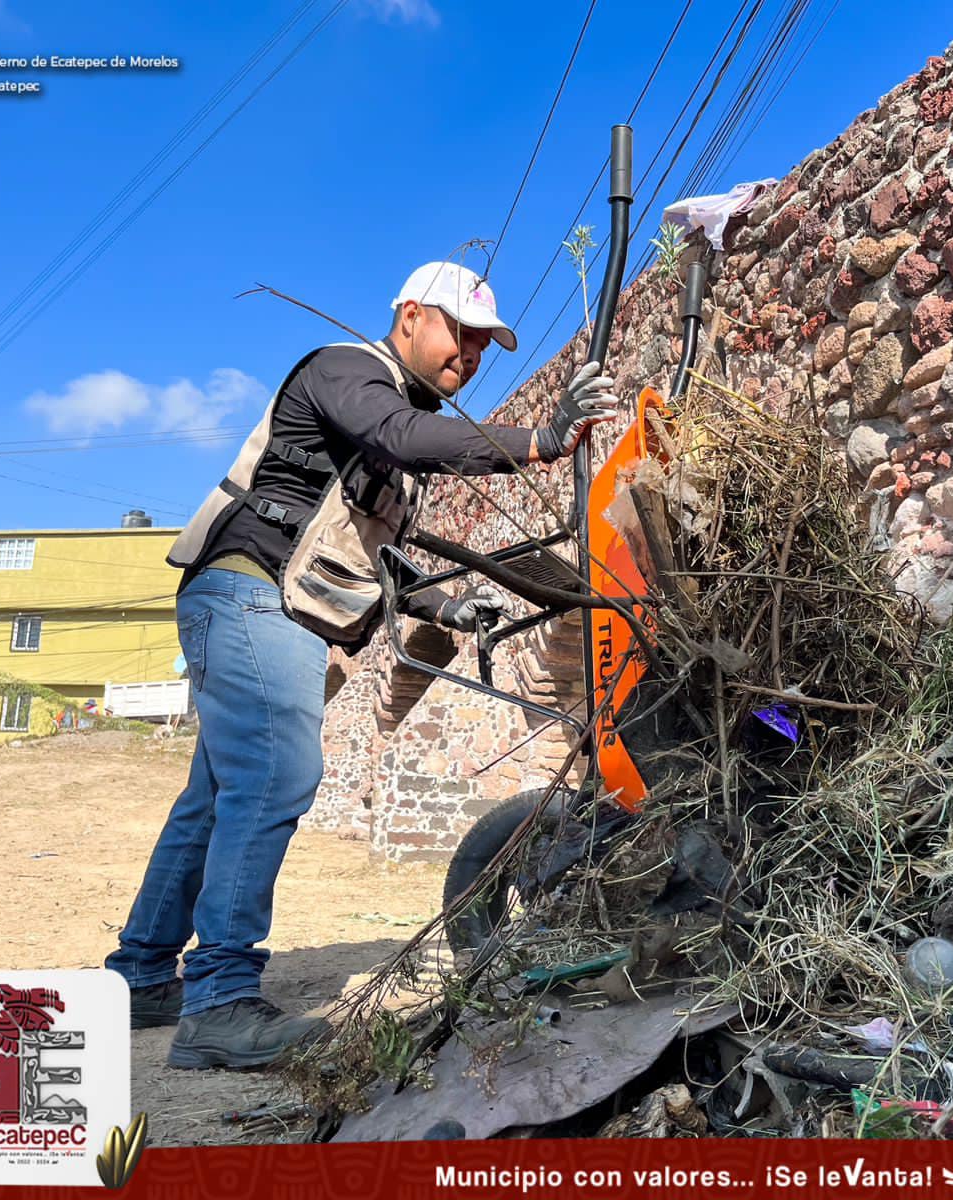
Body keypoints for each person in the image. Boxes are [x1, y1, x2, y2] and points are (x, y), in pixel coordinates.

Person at [104, 261, 617, 1069]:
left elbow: (377, 570)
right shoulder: (345, 371)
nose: (473, 356)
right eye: (461, 333)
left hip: (273, 608)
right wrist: (541, 442)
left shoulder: (392, 461)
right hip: (250, 594)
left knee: (213, 798)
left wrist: (448, 609)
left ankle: (140, 978)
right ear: (410, 315)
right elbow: (403, 436)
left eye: (484, 345)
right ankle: (221, 1004)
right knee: (277, 774)